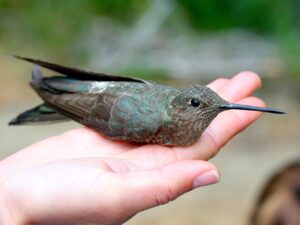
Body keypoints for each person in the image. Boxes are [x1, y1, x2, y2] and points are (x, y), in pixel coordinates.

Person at [0, 72, 264, 225]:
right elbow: (104, 106)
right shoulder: (154, 122)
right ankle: (52, 95)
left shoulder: (183, 118)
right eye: (197, 104)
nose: (212, 108)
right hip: (101, 105)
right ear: (181, 106)